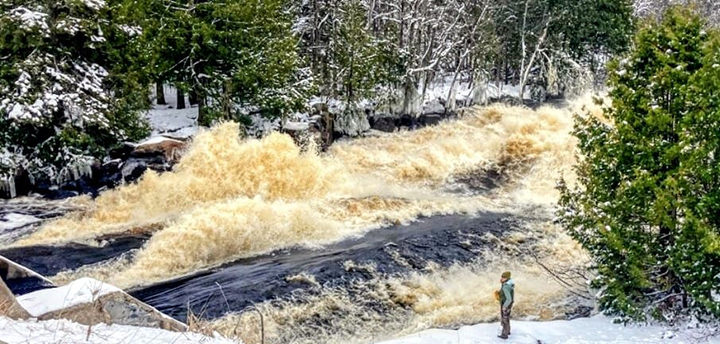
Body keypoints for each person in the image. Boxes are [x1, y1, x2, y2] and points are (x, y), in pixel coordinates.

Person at [498, 271, 514, 339]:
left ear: (507, 278)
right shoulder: (510, 283)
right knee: (507, 317)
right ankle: (508, 331)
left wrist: (504, 306)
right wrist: (500, 292)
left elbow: (509, 299)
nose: (501, 278)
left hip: (506, 304)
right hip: (508, 304)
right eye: (502, 276)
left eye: (503, 277)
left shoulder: (506, 286)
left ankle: (504, 334)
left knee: (504, 319)